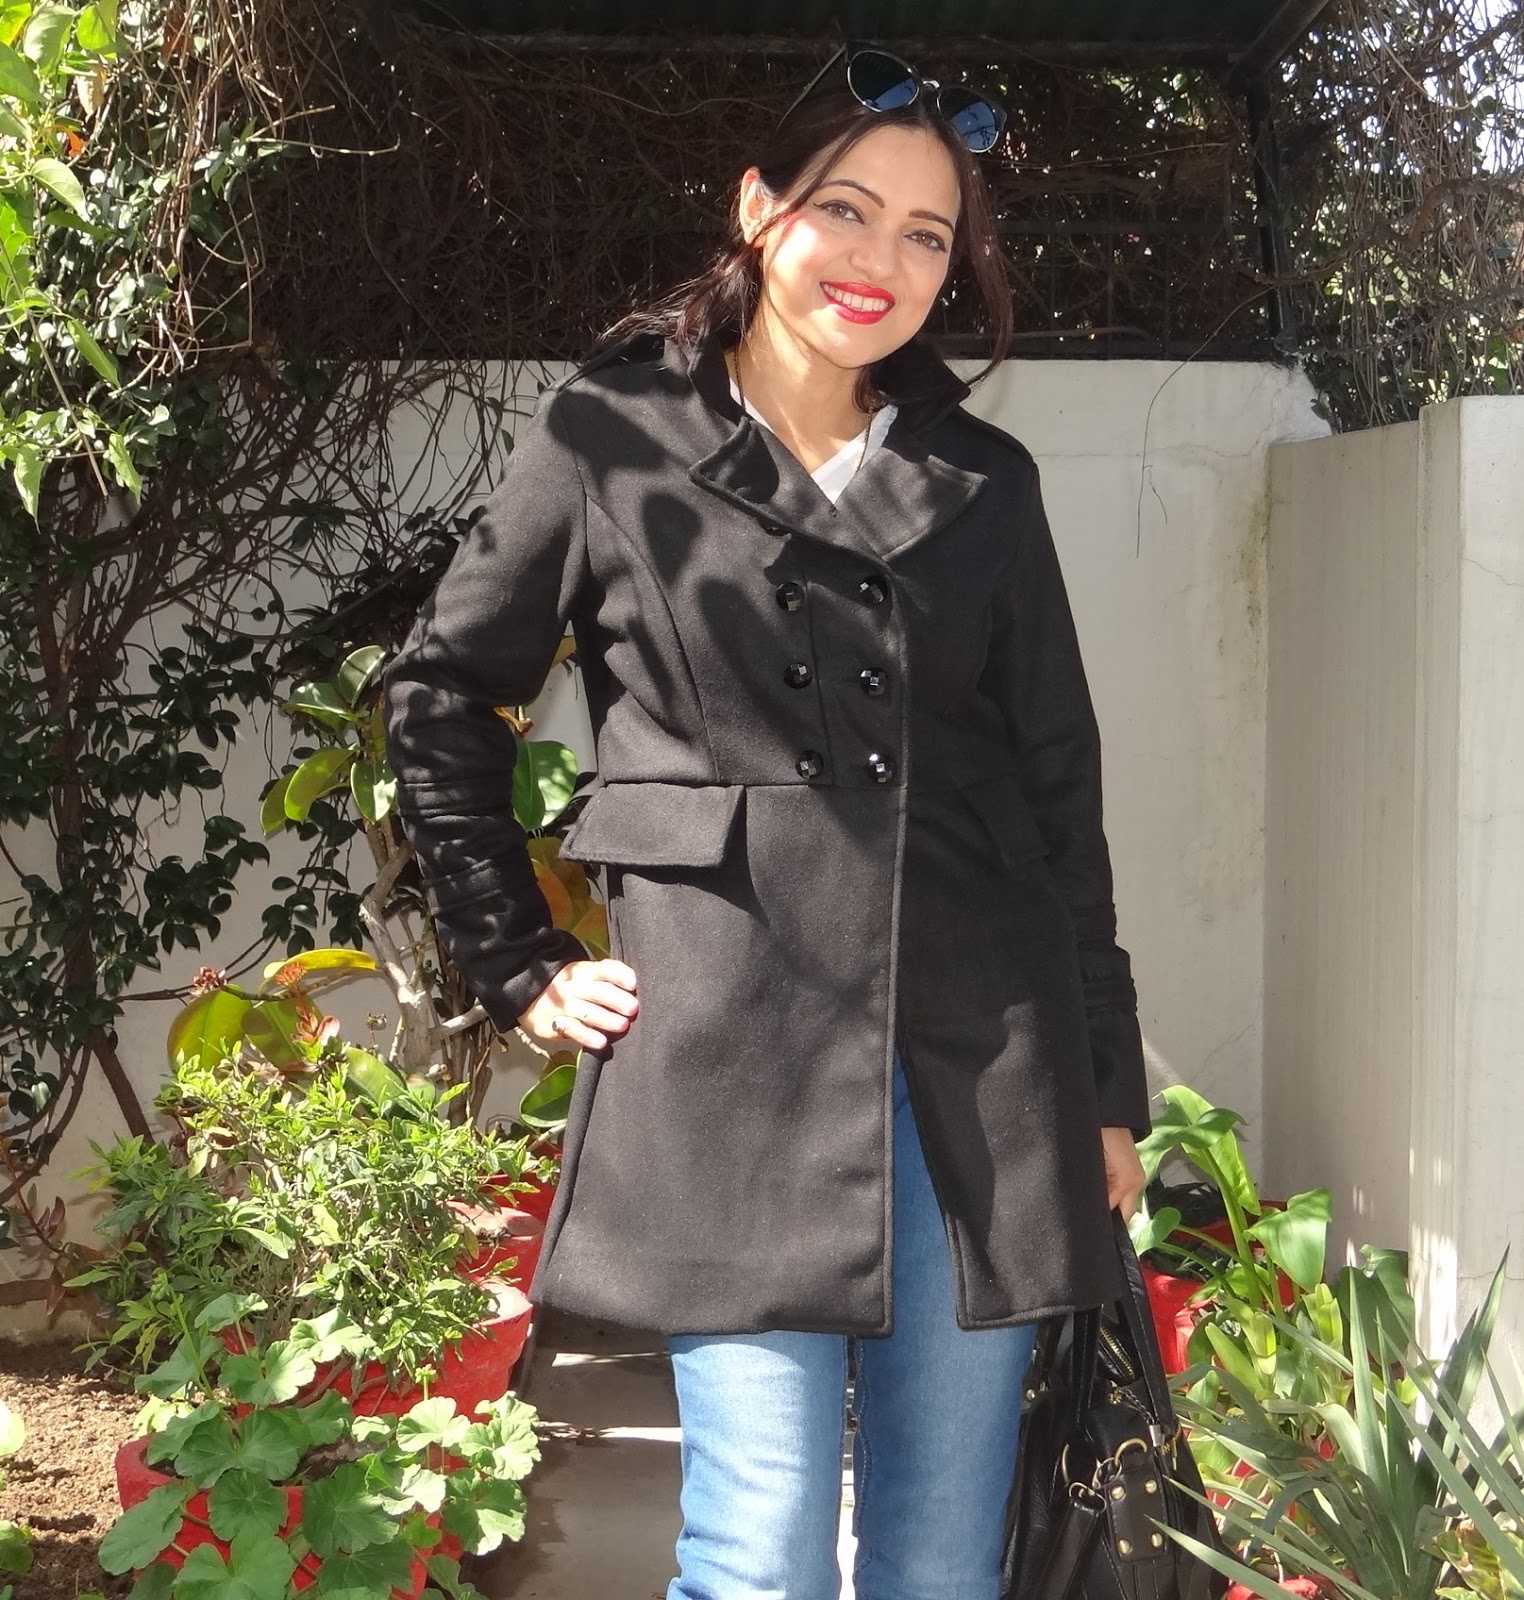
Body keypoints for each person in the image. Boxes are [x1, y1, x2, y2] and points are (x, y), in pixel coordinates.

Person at [384, 40, 1150, 1600]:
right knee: (762, 1552)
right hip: (730, 1051)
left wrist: (1105, 1086)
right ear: (757, 208)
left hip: (983, 1065)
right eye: (845, 210)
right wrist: (515, 961)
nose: (882, 261)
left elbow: (1056, 792)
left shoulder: (984, 482)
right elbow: (441, 694)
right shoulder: (610, 438)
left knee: (944, 1562)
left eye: (927, 234)